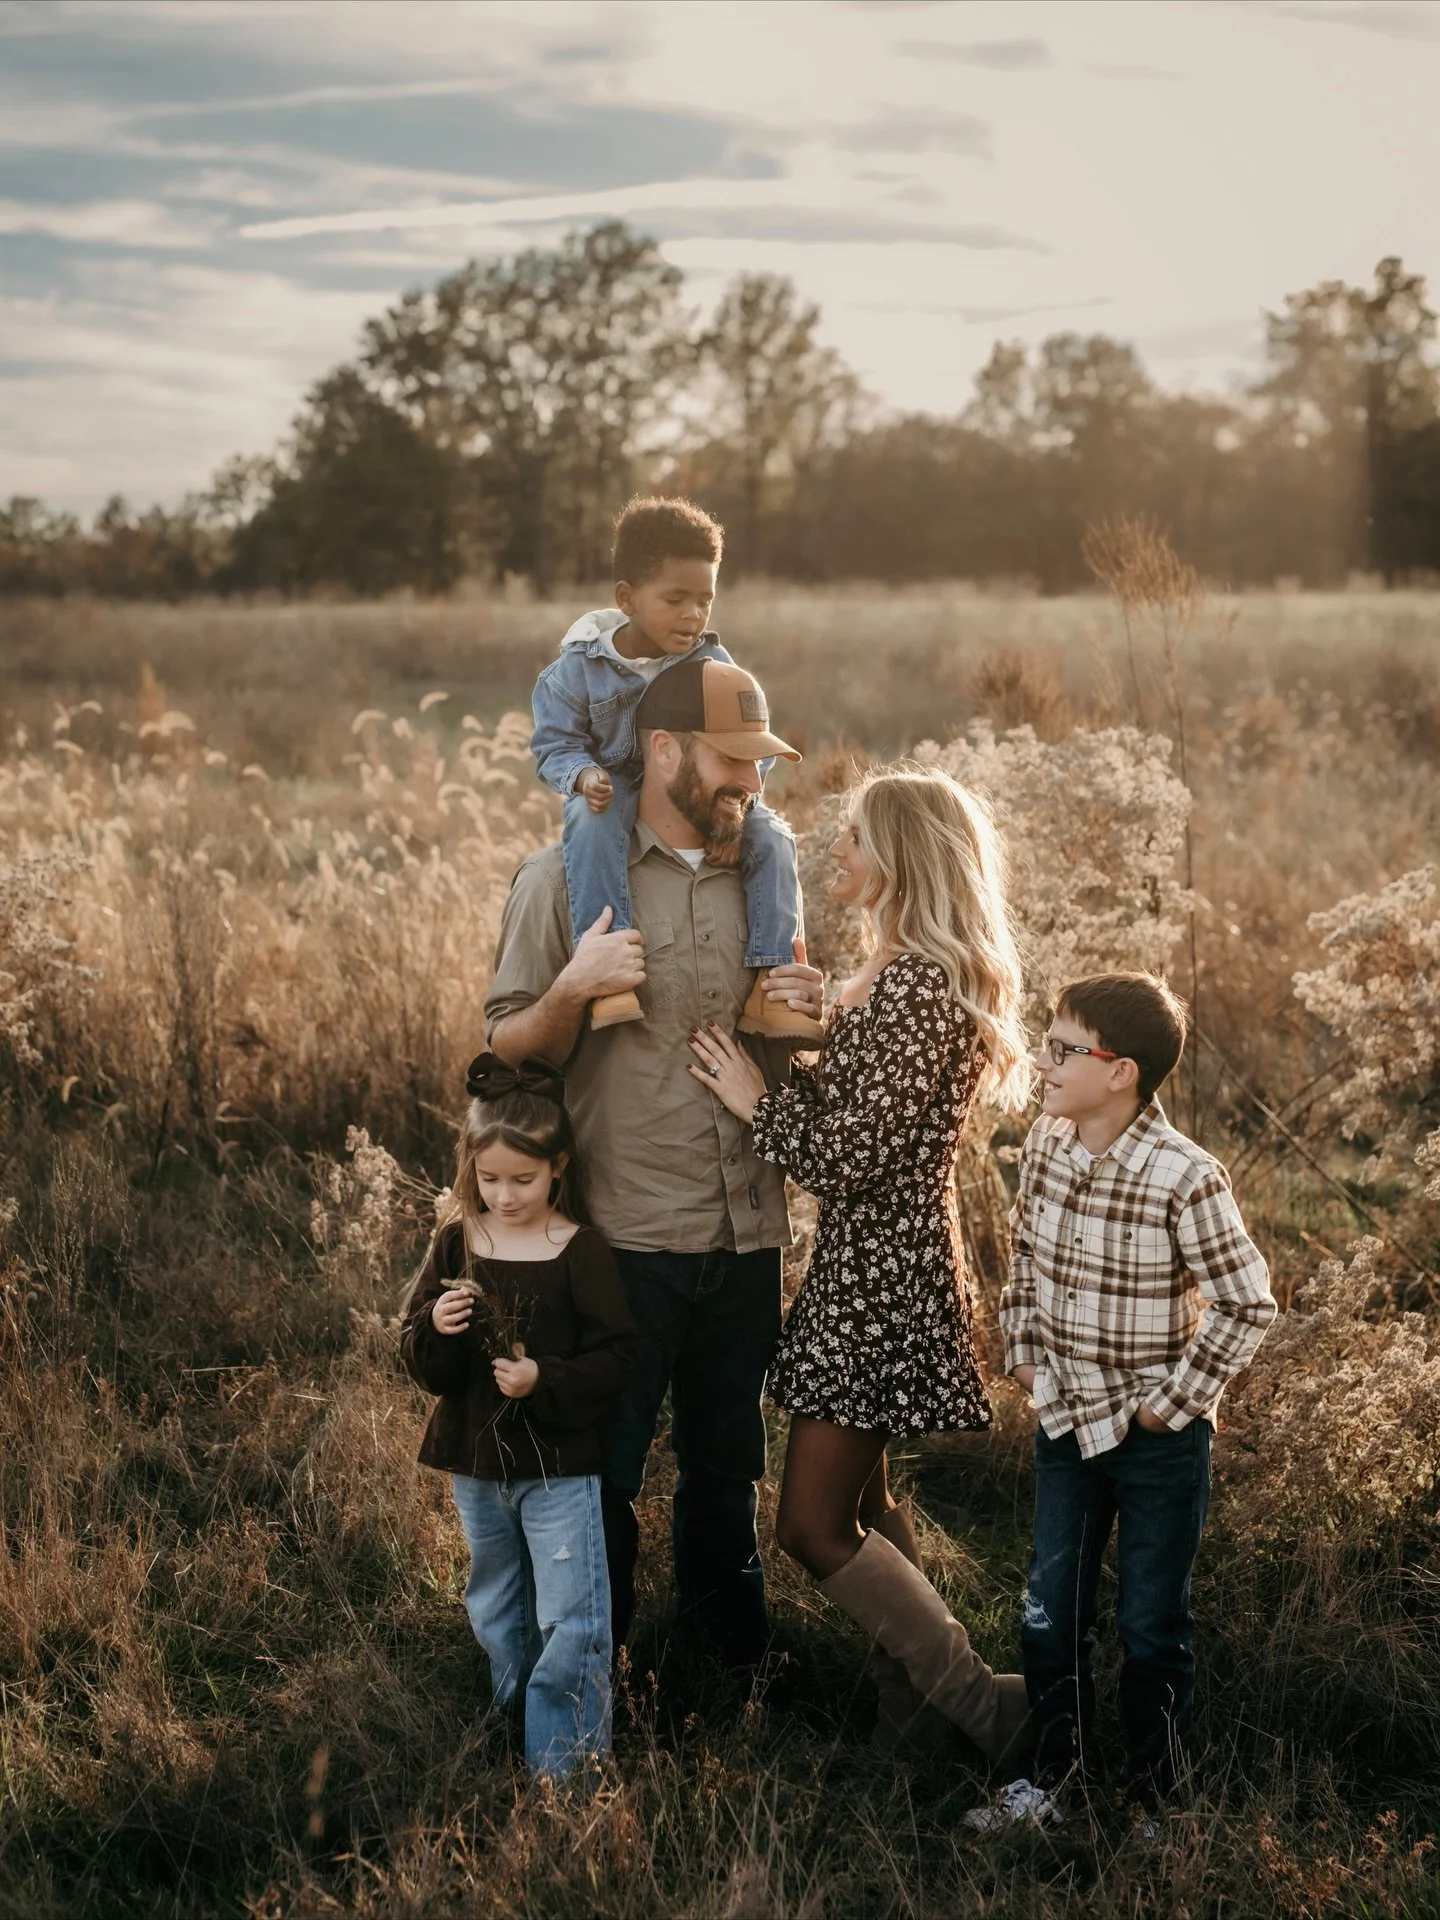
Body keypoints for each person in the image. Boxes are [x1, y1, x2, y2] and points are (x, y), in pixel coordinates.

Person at [485, 655, 827, 1676]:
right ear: (665, 751)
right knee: (603, 1475)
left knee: (729, 1471)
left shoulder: (766, 879)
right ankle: (588, 1676)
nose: (752, 786)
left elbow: (784, 1050)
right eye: (733, 763)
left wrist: (808, 1026)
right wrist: (575, 989)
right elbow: (508, 1050)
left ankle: (730, 1671)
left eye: (760, 767)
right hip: (623, 1239)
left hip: (747, 1232)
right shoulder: (563, 881)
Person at [688, 767, 1034, 1768]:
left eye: (853, 839)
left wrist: (756, 1097)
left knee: (808, 1524)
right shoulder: (895, 972)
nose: (834, 852)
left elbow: (852, 1155)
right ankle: (913, 1718)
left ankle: (987, 1706)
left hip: (887, 1274)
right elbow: (863, 1108)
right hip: (865, 1263)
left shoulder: (924, 981)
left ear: (904, 859)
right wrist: (815, 1027)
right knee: (866, 1506)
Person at [969, 973, 1277, 1830]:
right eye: (1047, 1041)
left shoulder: (1185, 1176)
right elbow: (1024, 1259)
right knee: (1049, 1612)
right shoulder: (1046, 1144)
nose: (1044, 1060)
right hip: (1066, 1419)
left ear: (1122, 1073)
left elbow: (1249, 1303)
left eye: (1066, 1050)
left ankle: (1156, 1803)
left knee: (1151, 1621)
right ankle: (1053, 1782)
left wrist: (1166, 1409)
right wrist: (1025, 1357)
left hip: (1155, 1442)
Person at [399, 1052, 637, 1781]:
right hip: (477, 1466)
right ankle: (507, 1723)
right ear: (472, 1167)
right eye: (490, 1179)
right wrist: (435, 1325)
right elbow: (414, 1355)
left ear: (558, 1166)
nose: (505, 1197)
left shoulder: (579, 1250)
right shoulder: (458, 1242)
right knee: (497, 1604)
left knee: (571, 1618)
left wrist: (545, 1378)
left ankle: (564, 1772)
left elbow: (619, 1356)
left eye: (523, 1180)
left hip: (560, 1470)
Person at [529, 494, 820, 1041]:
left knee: (775, 838)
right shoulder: (574, 672)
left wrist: (735, 813)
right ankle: (611, 971)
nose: (693, 616)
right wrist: (583, 775)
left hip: (699, 795)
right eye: (676, 599)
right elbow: (554, 746)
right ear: (628, 597)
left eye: (705, 601)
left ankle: (771, 982)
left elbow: (748, 743)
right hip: (609, 791)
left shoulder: (713, 664)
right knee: (589, 820)